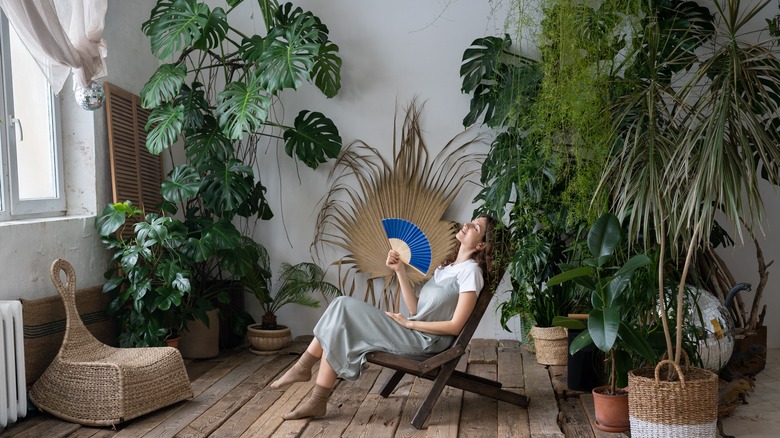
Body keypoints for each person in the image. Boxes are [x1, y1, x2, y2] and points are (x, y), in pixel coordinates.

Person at [269, 215, 497, 420]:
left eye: (476, 226)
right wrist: (399, 271)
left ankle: (305, 369)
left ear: (481, 244)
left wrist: (409, 323)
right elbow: (416, 308)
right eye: (470, 220)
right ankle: (316, 400)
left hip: (427, 342)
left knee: (342, 306)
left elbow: (456, 326)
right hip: (414, 332)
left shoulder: (471, 273)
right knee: (340, 319)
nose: (467, 224)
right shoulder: (445, 268)